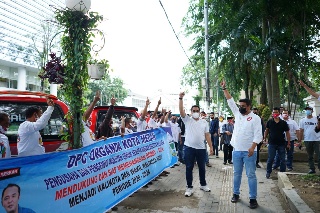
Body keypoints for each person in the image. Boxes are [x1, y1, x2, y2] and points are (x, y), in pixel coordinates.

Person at [220, 80, 262, 209]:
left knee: (251, 175)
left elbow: (258, 135)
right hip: (237, 151)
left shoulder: (255, 118)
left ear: (249, 106)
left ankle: (253, 198)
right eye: (240, 105)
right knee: (237, 174)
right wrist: (224, 89)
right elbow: (230, 101)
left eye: (243, 105)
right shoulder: (237, 114)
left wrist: (252, 148)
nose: (240, 107)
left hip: (249, 152)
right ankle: (236, 194)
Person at [179, 92, 213, 197]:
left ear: (200, 112)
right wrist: (180, 98)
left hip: (201, 149)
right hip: (189, 148)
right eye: (193, 111)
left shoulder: (204, 122)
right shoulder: (187, 120)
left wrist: (211, 147)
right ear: (190, 112)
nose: (195, 112)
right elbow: (181, 110)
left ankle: (203, 184)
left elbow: (207, 135)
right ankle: (189, 187)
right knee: (189, 167)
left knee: (202, 167)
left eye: (197, 111)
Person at [263, 107, 290, 178]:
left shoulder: (283, 123)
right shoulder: (270, 122)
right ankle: (268, 172)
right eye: (273, 112)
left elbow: (287, 132)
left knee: (283, 159)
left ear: (279, 113)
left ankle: (282, 173)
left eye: (276, 112)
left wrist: (288, 142)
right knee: (271, 158)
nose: (274, 114)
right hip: (272, 143)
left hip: (281, 143)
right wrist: (264, 138)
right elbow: (267, 130)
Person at [299, 106, 320, 174]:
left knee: (319, 155)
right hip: (307, 139)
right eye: (306, 110)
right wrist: (300, 141)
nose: (308, 111)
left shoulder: (316, 119)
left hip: (317, 139)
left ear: (312, 111)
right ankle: (312, 169)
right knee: (310, 156)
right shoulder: (302, 120)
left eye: (309, 110)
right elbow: (301, 131)